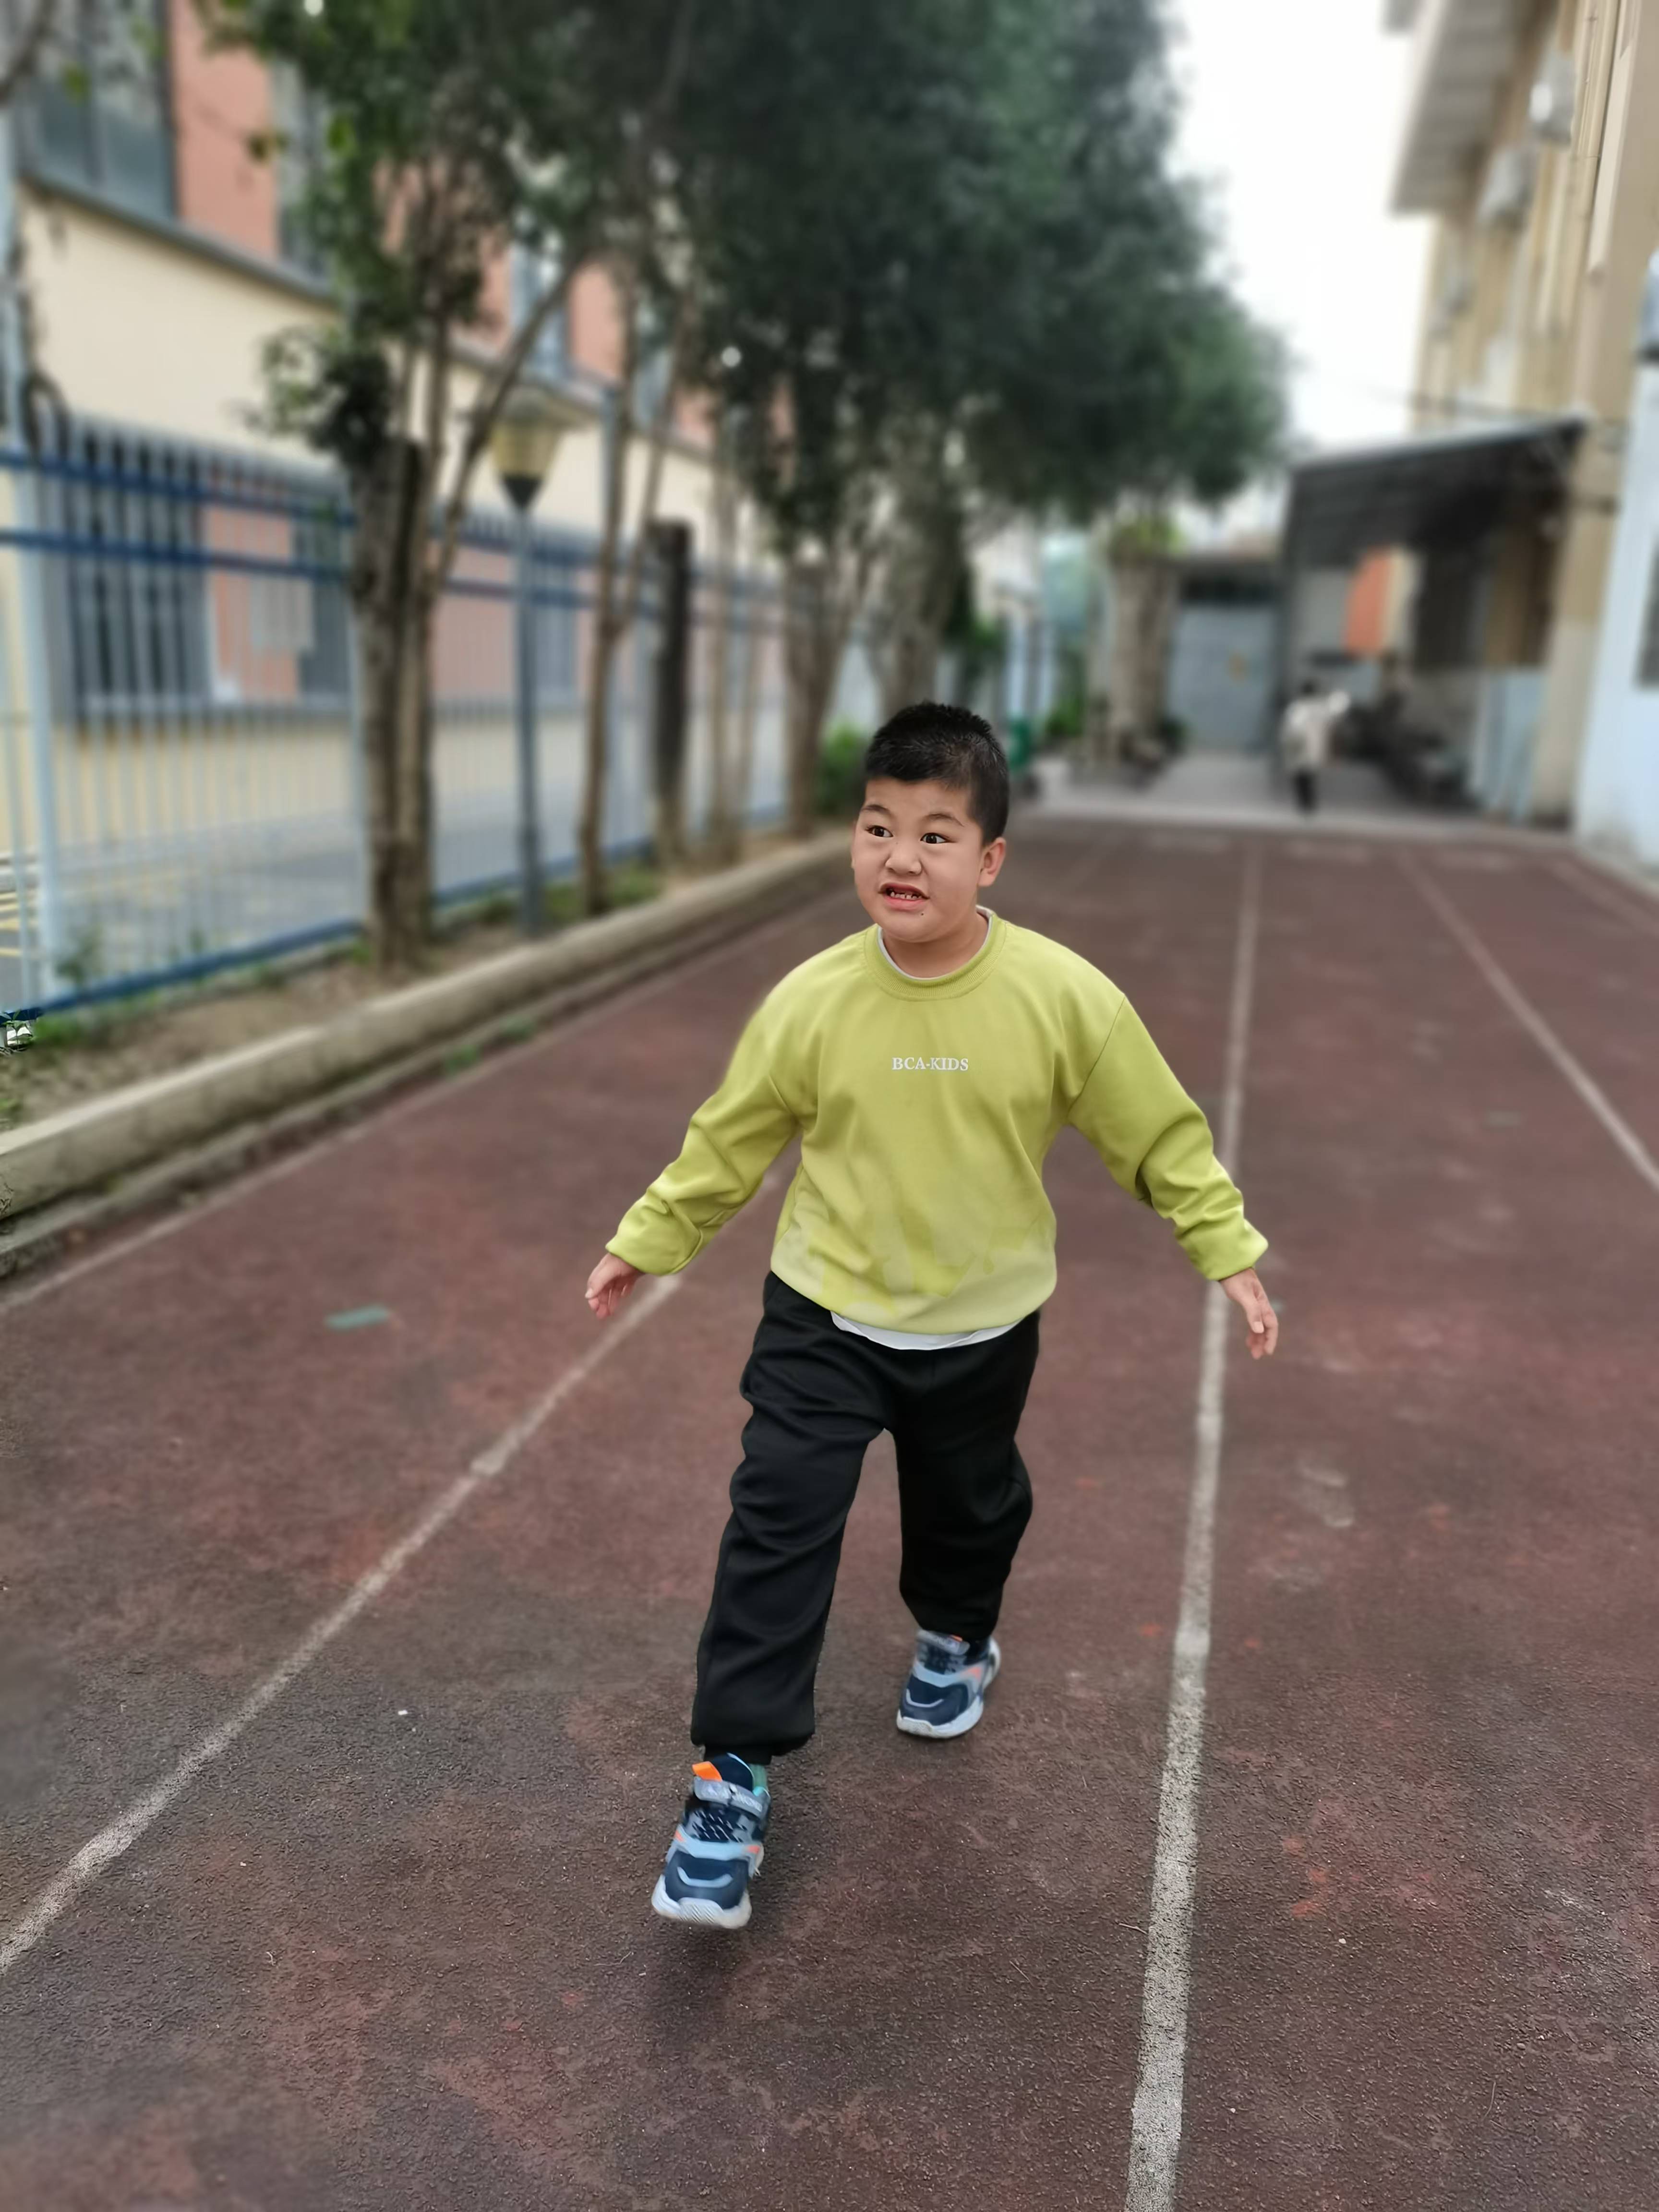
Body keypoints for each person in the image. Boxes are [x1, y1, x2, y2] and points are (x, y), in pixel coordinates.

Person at [585, 702, 1277, 1931]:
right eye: (877, 827)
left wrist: (1222, 1246)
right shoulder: (811, 1001)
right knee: (776, 1520)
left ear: (990, 859)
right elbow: (729, 1140)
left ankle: (957, 1634)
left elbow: (1156, 1132)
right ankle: (728, 1781)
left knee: (966, 1510)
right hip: (823, 1314)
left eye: (936, 835)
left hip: (980, 1326)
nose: (899, 858)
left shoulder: (1063, 997)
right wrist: (649, 1237)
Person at [1279, 676, 1339, 813]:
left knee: (1301, 778)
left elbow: (1293, 729)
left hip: (1300, 749)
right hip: (1313, 749)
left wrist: (1287, 742)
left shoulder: (1299, 708)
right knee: (1310, 777)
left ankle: (1304, 804)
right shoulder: (1320, 708)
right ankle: (1309, 803)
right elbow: (1332, 718)